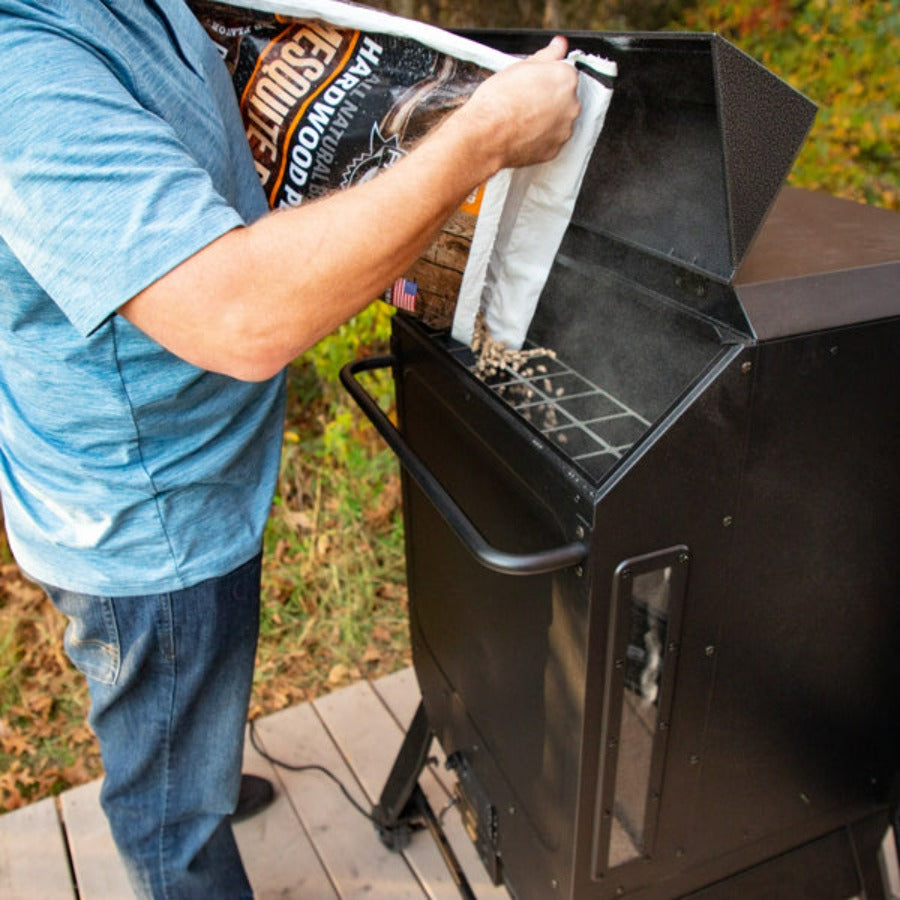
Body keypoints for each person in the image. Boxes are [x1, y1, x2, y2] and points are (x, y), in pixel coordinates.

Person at [0, 1, 579, 896]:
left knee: (200, 692)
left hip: (204, 467)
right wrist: (483, 137)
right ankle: (183, 819)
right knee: (165, 802)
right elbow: (242, 317)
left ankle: (203, 773)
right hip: (143, 523)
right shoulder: (20, 70)